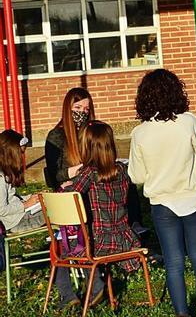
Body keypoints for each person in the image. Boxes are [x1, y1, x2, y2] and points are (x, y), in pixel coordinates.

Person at [127, 69, 196, 317]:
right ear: (177, 92)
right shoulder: (189, 121)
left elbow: (136, 176)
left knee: (174, 261)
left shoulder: (140, 133)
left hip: (163, 203)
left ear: (144, 97)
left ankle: (182, 312)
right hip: (193, 197)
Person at [58, 121, 142, 310]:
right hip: (124, 238)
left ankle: (77, 293)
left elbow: (71, 196)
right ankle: (96, 286)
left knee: (64, 247)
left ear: (86, 147)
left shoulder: (88, 173)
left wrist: (67, 186)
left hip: (100, 242)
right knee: (86, 240)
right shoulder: (122, 170)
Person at [44, 88, 144, 232]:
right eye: (78, 108)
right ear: (68, 109)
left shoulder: (90, 130)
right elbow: (54, 176)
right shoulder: (56, 136)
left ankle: (133, 225)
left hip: (94, 178)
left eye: (86, 109)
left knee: (124, 180)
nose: (82, 113)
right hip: (74, 186)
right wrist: (72, 171)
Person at [0, 130, 43, 234]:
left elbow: (11, 198)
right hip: (14, 223)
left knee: (51, 207)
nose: (22, 157)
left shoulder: (5, 172)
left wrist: (32, 198)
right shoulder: (1, 178)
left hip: (18, 217)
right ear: (11, 153)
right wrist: (26, 204)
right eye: (21, 153)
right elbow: (2, 209)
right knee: (55, 212)